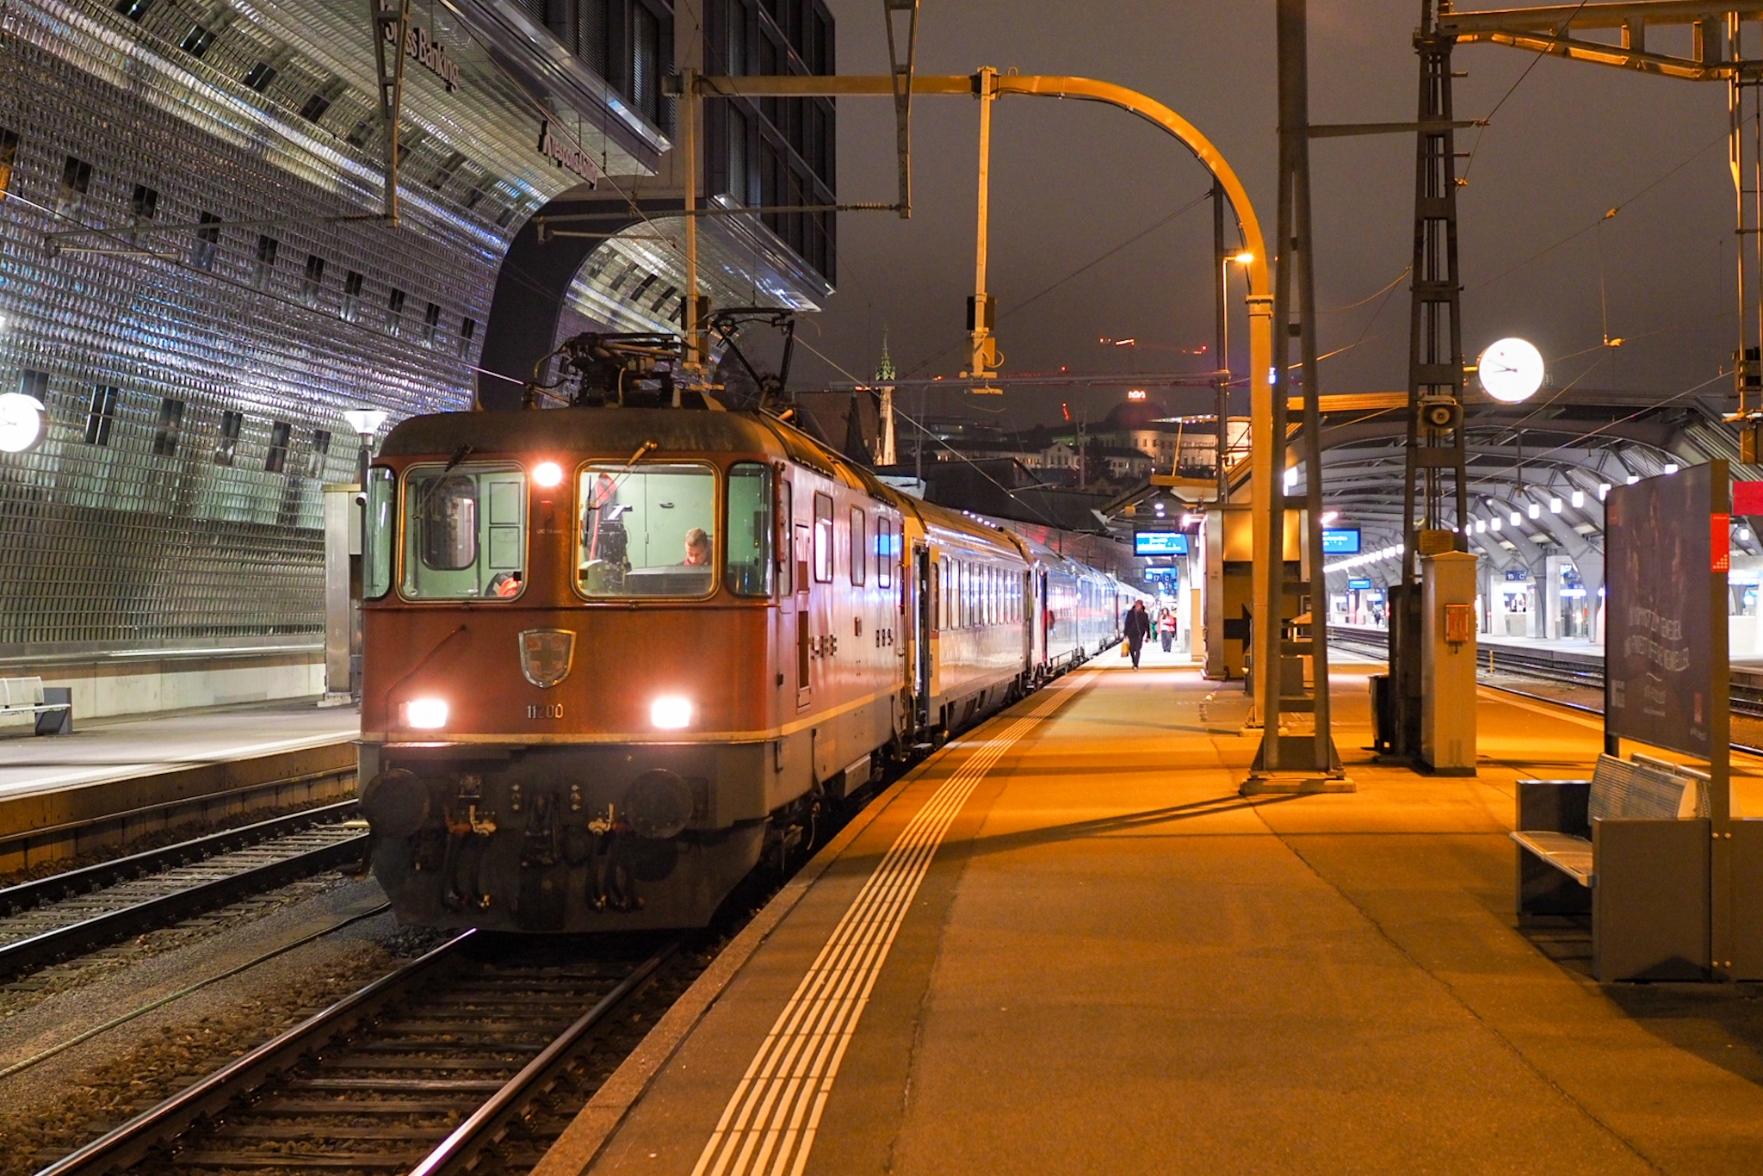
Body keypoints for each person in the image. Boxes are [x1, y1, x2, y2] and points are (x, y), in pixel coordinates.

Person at [1123, 600, 1151, 669]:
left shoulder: (1144, 614)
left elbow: (1147, 625)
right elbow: (1127, 623)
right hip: (1131, 634)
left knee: (1138, 649)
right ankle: (1133, 661)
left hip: (1139, 634)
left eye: (1139, 605)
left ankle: (1136, 664)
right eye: (1137, 605)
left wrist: (1148, 636)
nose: (1138, 606)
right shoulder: (1130, 613)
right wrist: (1125, 634)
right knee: (1131, 649)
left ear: (1141, 606)